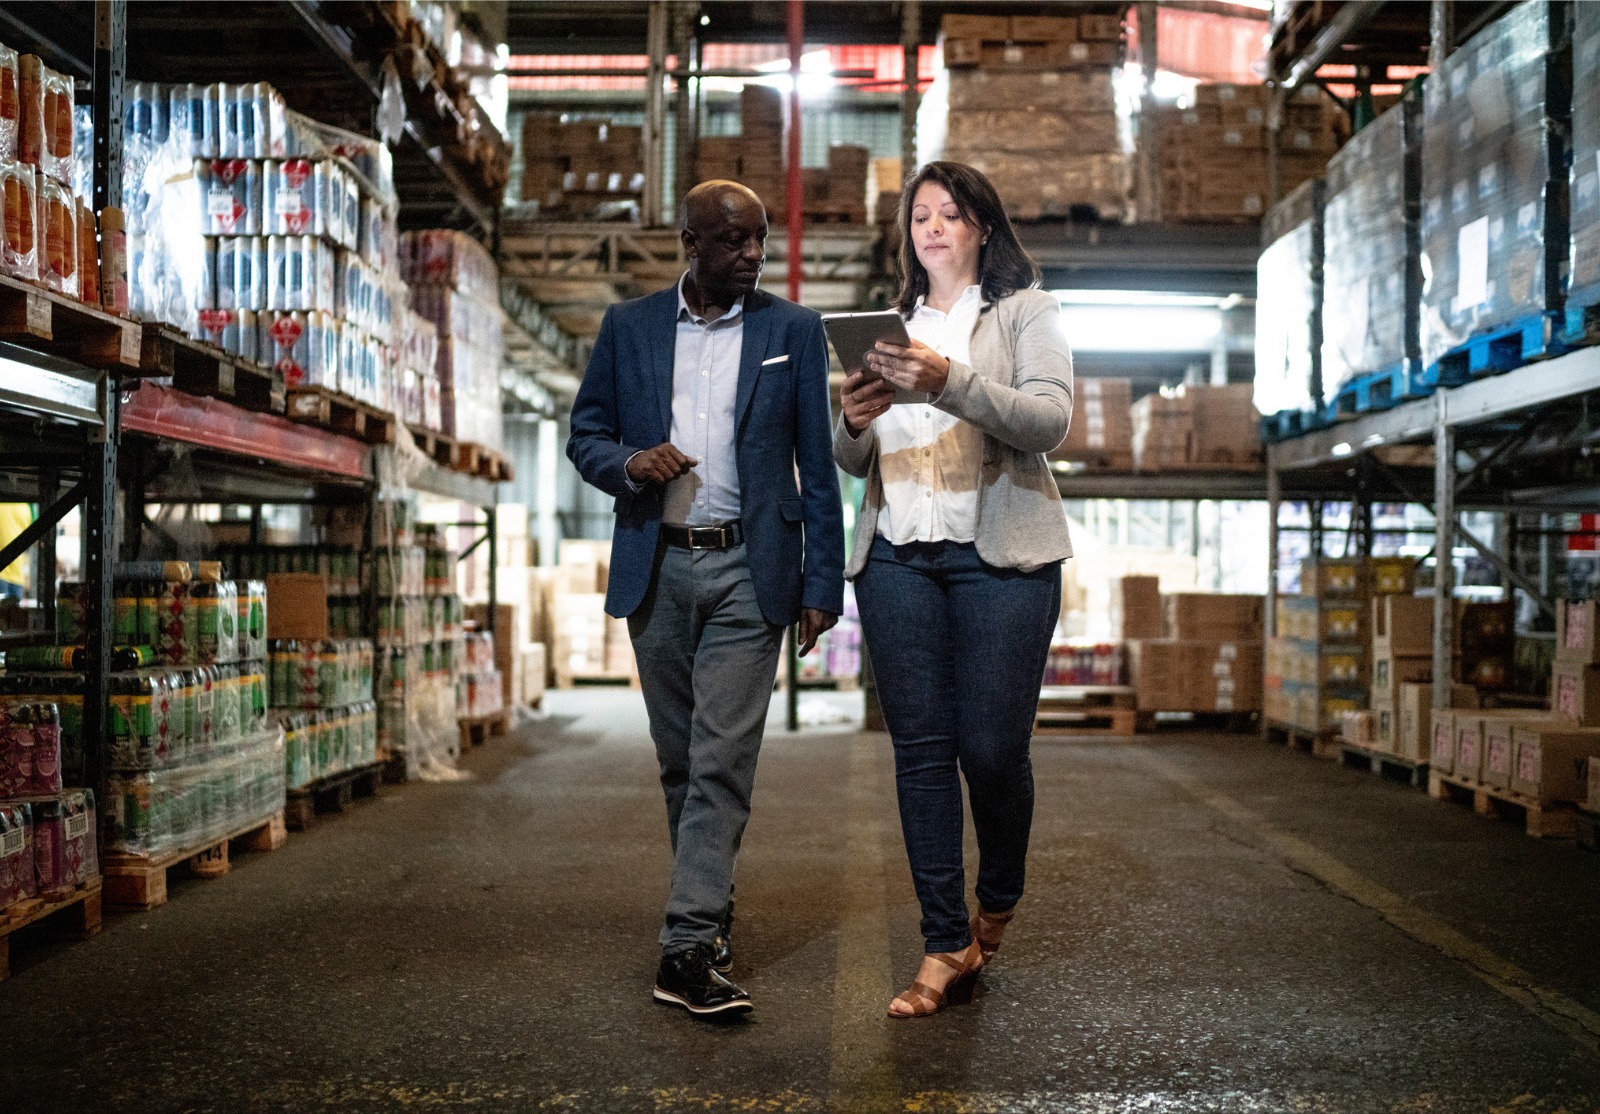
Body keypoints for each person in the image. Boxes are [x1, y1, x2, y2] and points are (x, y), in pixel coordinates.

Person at [567, 180, 845, 1018]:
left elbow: (816, 464)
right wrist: (629, 464)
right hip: (659, 565)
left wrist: (821, 583)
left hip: (747, 571)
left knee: (723, 759)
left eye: (760, 240)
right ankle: (710, 908)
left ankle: (685, 945)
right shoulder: (630, 327)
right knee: (682, 761)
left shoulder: (791, 330)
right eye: (735, 242)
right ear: (691, 241)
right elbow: (586, 432)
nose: (753, 256)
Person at [833, 161, 1073, 1018]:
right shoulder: (885, 324)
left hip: (998, 556)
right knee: (922, 755)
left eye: (950, 214)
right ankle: (944, 942)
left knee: (993, 752)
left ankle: (995, 898)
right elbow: (854, 453)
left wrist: (949, 382)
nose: (932, 227)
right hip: (898, 555)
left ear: (981, 228)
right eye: (920, 215)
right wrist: (852, 421)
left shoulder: (1024, 312)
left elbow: (1049, 420)